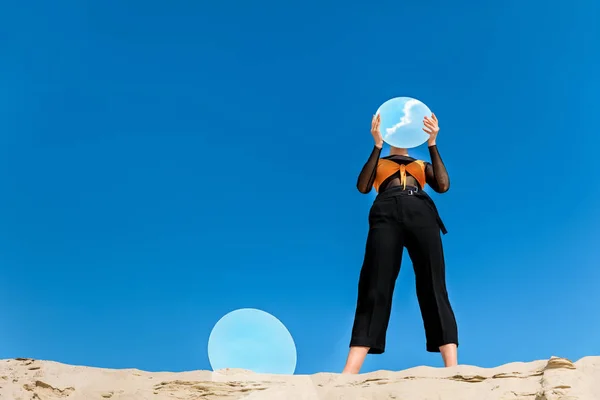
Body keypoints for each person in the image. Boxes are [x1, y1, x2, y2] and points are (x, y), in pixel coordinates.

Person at [342, 113, 458, 374]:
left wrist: (432, 143)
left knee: (433, 283)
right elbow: (363, 186)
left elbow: (443, 185)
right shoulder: (380, 161)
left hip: (421, 210)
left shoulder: (420, 163)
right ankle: (350, 371)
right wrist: (377, 145)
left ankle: (452, 368)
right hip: (385, 211)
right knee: (374, 283)